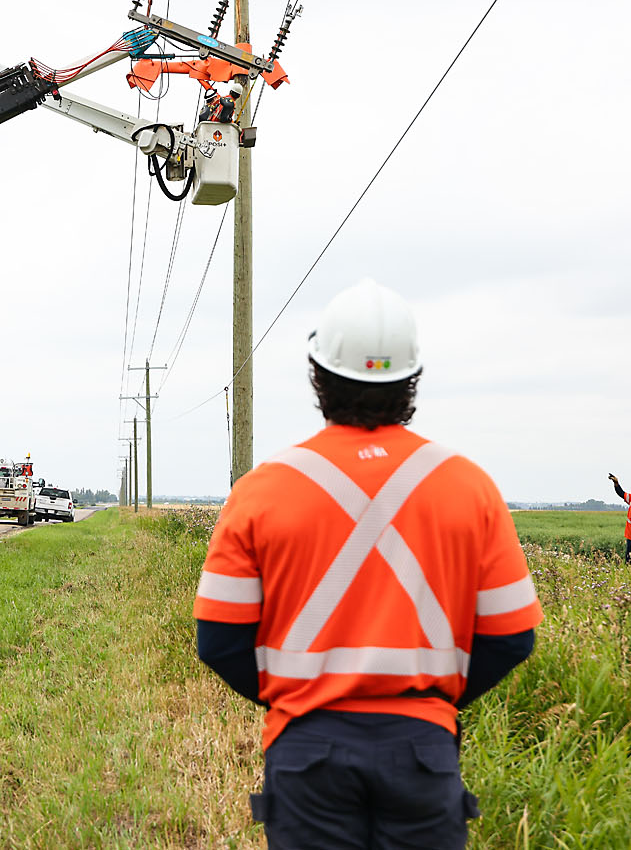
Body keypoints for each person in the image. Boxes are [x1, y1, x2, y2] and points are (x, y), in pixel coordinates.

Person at [195, 279, 542, 849]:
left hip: (306, 752)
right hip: (423, 751)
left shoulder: (262, 491)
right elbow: (511, 637)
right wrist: (432, 706)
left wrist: (299, 700)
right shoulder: (470, 487)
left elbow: (218, 641)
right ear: (411, 379)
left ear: (318, 376)